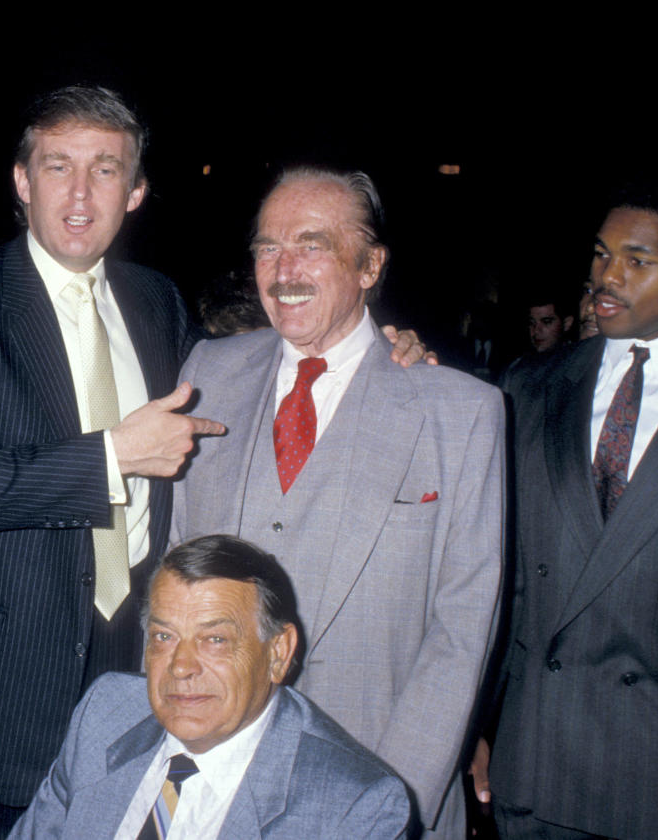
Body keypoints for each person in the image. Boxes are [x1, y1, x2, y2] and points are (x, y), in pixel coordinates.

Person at [0, 85, 225, 839]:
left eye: (104, 170)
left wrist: (386, 358)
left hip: (127, 685)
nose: (79, 192)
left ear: (134, 191)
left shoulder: (158, 301)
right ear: (21, 179)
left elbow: (246, 380)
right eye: (57, 165)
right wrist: (113, 455)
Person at [171, 166, 505, 839]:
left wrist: (385, 803)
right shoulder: (207, 373)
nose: (283, 268)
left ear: (370, 265)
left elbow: (461, 634)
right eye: (267, 246)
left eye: (311, 243)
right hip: (213, 779)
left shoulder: (462, 412)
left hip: (374, 778)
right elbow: (175, 576)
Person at [476, 185, 658, 840]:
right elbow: (495, 583)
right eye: (603, 254)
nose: (606, 276)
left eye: (638, 260)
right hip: (535, 765)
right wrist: (476, 725)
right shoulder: (530, 384)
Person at [10, 534, 411, 839]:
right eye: (164, 637)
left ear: (278, 652)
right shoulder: (106, 713)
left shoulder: (353, 807)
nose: (181, 667)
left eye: (214, 640)